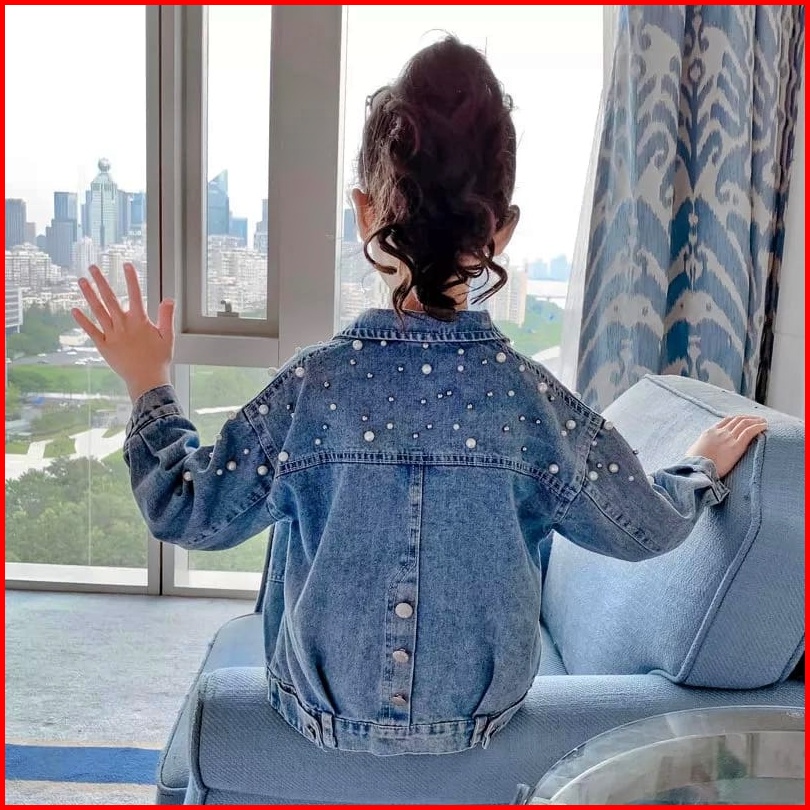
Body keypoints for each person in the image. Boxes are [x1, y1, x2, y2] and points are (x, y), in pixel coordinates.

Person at [72, 37, 767, 757]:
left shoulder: (316, 389)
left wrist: (147, 379)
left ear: (365, 212)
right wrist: (698, 468)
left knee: (299, 510)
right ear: (502, 229)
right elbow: (646, 528)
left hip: (316, 720)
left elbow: (186, 508)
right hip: (482, 726)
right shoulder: (531, 403)